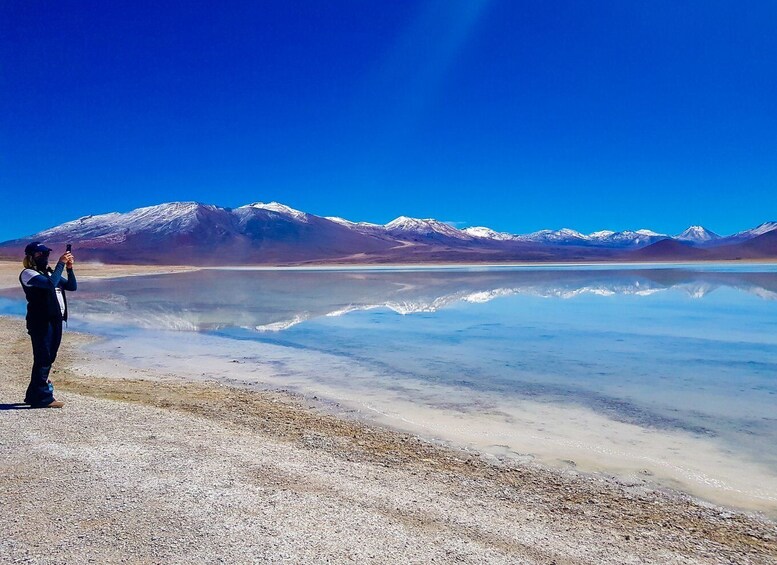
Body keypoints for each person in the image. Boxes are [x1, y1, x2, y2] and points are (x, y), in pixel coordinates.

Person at [19, 242, 77, 408]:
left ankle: (33, 395)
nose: (44, 257)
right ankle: (43, 398)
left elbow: (72, 287)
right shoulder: (28, 273)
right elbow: (50, 284)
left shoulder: (50, 273)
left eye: (46, 254)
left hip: (55, 320)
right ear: (30, 257)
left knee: (48, 357)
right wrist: (60, 263)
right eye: (39, 254)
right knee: (43, 358)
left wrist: (69, 268)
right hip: (40, 322)